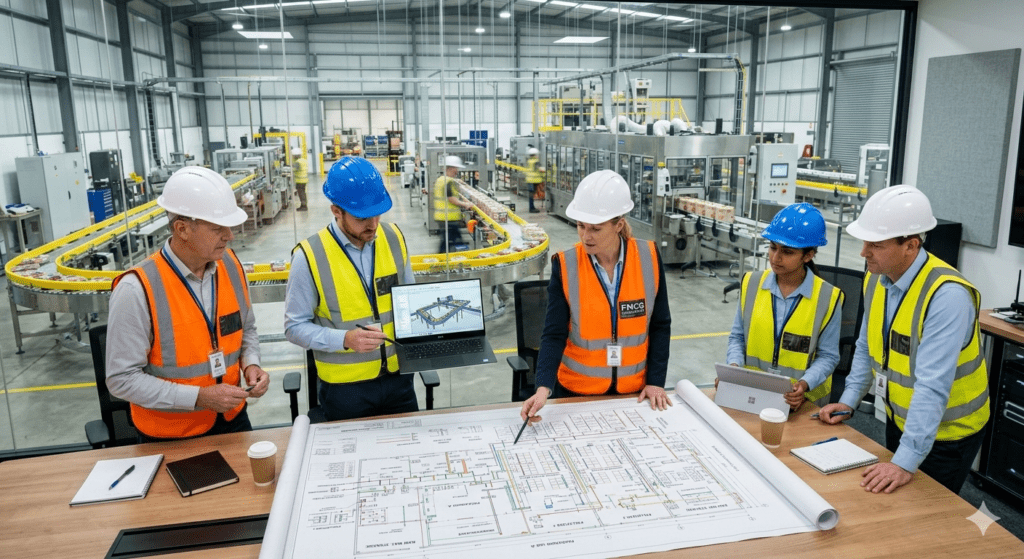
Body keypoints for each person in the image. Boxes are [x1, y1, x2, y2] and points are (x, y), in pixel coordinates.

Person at [817, 185, 990, 495]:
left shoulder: (947, 297)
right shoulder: (876, 278)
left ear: (911, 245)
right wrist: (849, 400)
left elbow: (932, 386)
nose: (864, 252)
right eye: (864, 242)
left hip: (949, 433)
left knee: (925, 514)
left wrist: (904, 461)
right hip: (902, 419)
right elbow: (866, 345)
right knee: (889, 499)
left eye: (875, 244)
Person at [106, 166, 270, 442]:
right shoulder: (137, 289)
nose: (229, 235)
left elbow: (246, 329)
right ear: (181, 229)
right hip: (171, 434)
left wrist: (251, 364)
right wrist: (199, 397)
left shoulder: (231, 266)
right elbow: (121, 379)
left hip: (232, 419)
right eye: (217, 228)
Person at [520, 170, 673, 424]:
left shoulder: (648, 258)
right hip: (576, 394)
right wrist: (543, 387)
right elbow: (554, 333)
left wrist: (656, 381)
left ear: (618, 225)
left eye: (595, 229)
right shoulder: (566, 265)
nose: (585, 236)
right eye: (581, 226)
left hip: (633, 394)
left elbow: (660, 325)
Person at [284, 156, 418, 421]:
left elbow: (410, 301)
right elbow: (294, 327)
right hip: (345, 390)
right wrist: (344, 340)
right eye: (361, 217)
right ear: (336, 210)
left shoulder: (393, 238)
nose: (373, 224)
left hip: (398, 379)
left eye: (377, 213)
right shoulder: (309, 256)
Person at [725, 203, 843, 410]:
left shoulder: (828, 297)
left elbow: (828, 356)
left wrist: (804, 385)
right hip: (753, 394)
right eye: (773, 247)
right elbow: (737, 337)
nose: (775, 258)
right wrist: (733, 370)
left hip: (803, 403)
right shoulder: (751, 283)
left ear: (808, 255)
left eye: (787, 252)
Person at [434, 155, 475, 253]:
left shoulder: (441, 179)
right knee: (454, 241)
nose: (457, 171)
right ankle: (446, 259)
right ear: (451, 168)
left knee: (447, 242)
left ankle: (443, 258)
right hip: (448, 218)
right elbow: (451, 199)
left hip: (443, 217)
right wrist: (466, 204)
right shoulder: (448, 182)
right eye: (456, 168)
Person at [525, 147, 544, 213]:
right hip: (535, 180)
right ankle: (532, 208)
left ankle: (531, 207)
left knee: (531, 195)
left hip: (529, 180)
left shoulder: (528, 161)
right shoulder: (536, 162)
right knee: (533, 194)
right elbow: (540, 170)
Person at [292, 147, 309, 211]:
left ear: (295, 156)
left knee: (301, 193)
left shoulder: (297, 162)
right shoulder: (303, 160)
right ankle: (303, 205)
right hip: (304, 179)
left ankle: (304, 206)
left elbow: (295, 169)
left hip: (300, 180)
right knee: (303, 193)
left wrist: (290, 169)